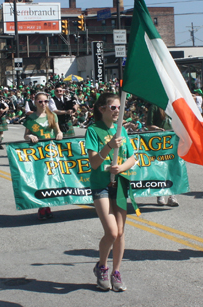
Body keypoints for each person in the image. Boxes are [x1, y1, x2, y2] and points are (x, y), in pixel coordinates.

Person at [85, 92, 136, 291]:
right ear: (102, 109)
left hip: (120, 184)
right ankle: (102, 266)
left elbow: (132, 158)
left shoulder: (121, 129)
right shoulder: (93, 130)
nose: (117, 111)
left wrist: (121, 168)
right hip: (101, 185)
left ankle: (116, 272)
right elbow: (95, 162)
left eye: (119, 107)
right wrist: (108, 146)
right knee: (112, 232)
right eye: (113, 107)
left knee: (121, 232)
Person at [24, 92, 63, 220]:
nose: (43, 104)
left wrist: (59, 134)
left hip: (50, 152)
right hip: (37, 153)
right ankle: (42, 207)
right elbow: (26, 135)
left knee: (50, 179)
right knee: (41, 180)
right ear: (35, 102)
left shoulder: (52, 116)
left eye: (45, 101)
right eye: (40, 101)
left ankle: (48, 205)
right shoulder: (30, 119)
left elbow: (58, 131)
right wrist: (30, 136)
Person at [145, 104, 179, 207]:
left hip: (172, 141)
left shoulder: (174, 105)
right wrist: (158, 130)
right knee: (160, 169)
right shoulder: (154, 106)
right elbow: (149, 125)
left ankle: (172, 195)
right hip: (159, 142)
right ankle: (160, 194)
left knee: (172, 168)